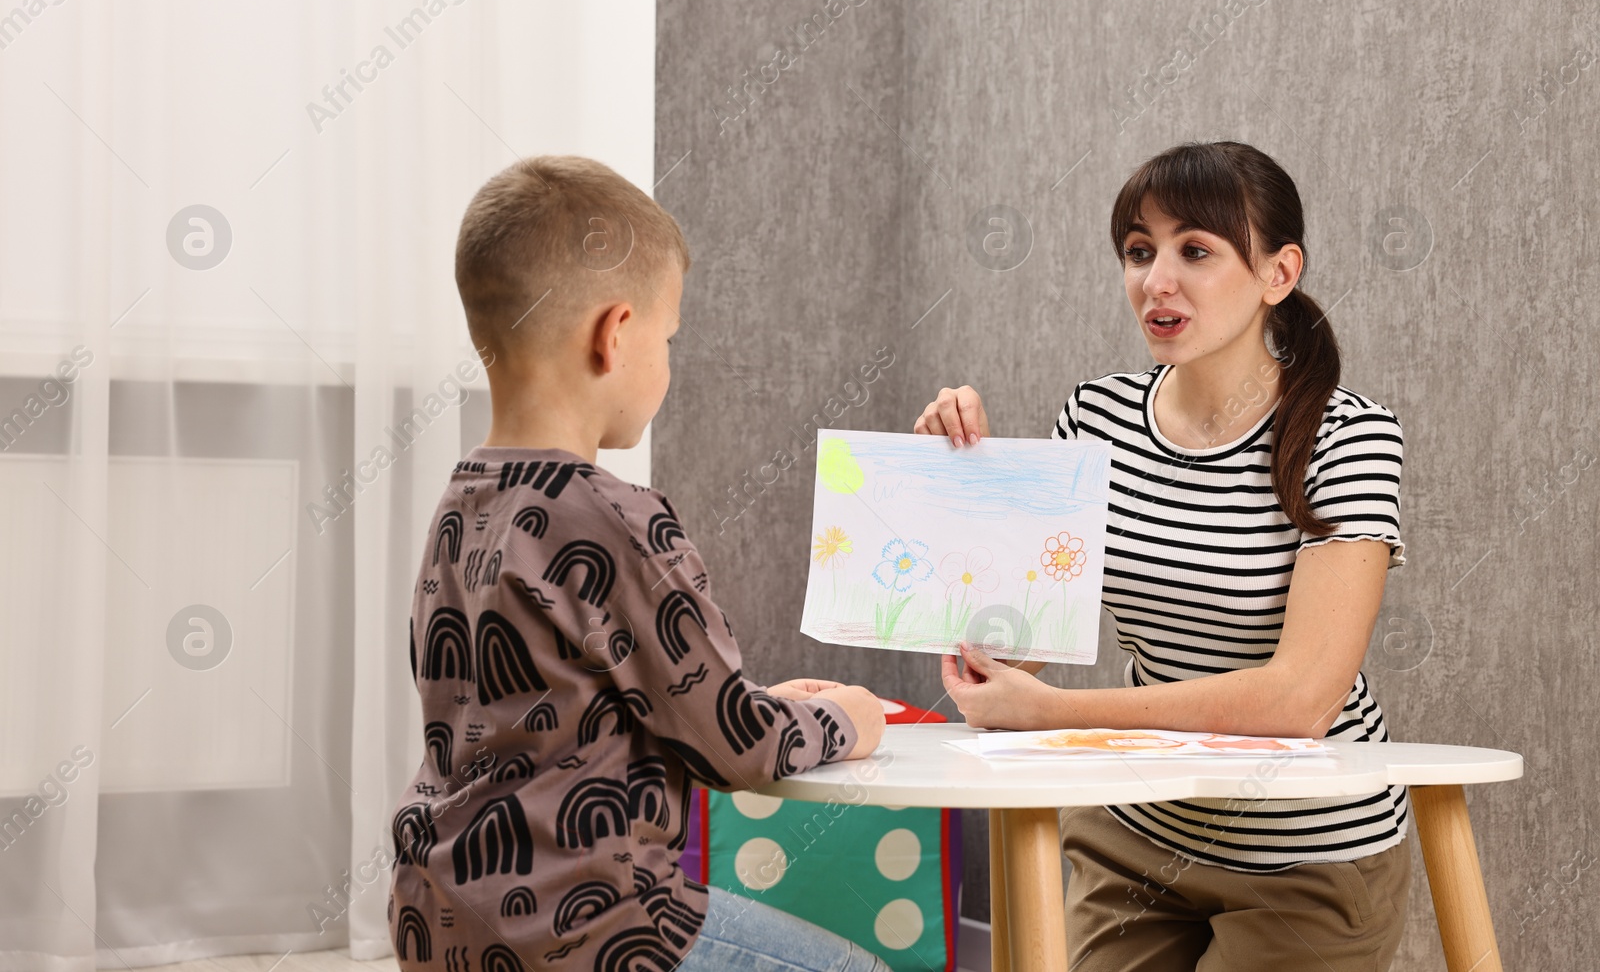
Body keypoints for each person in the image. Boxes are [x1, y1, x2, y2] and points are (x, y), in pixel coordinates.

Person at [916, 141, 1413, 971]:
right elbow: (1015, 650)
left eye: (1196, 250)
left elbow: (1300, 701)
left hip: (1306, 854)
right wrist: (969, 479)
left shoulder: (1351, 437)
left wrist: (1056, 715)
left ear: (1278, 273)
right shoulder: (1098, 416)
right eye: (1139, 251)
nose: (1157, 280)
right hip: (1134, 836)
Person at [388, 155, 889, 972]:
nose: (666, 359)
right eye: (668, 336)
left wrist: (751, 703)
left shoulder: (463, 501)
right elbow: (743, 751)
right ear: (614, 333)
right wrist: (851, 717)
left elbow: (562, 704)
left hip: (442, 918)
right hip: (589, 930)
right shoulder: (615, 517)